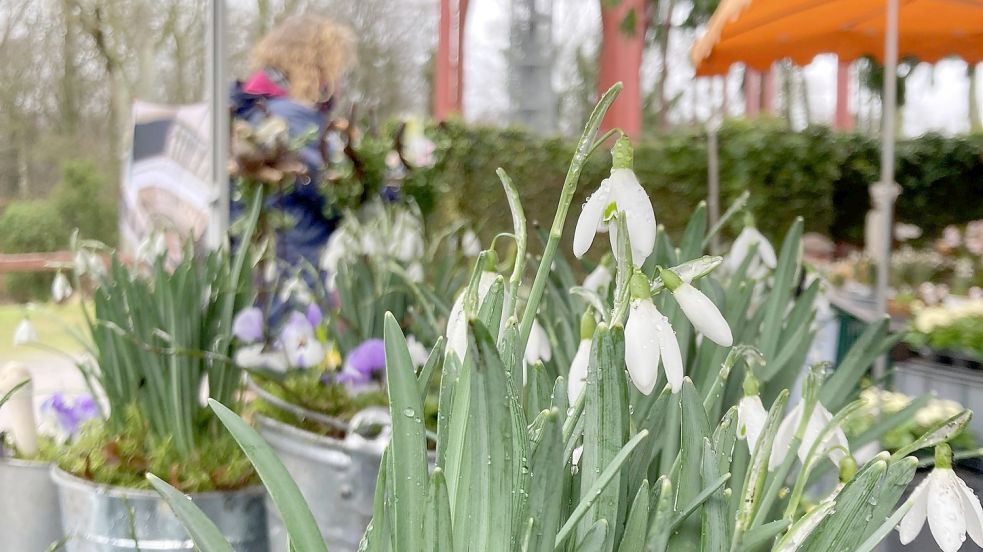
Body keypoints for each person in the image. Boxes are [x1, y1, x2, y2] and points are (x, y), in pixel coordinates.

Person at [230, 15, 356, 270]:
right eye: (335, 69)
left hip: (265, 270)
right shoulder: (291, 120)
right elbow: (340, 196)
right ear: (316, 67)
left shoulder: (255, 112)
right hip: (297, 270)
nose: (338, 82)